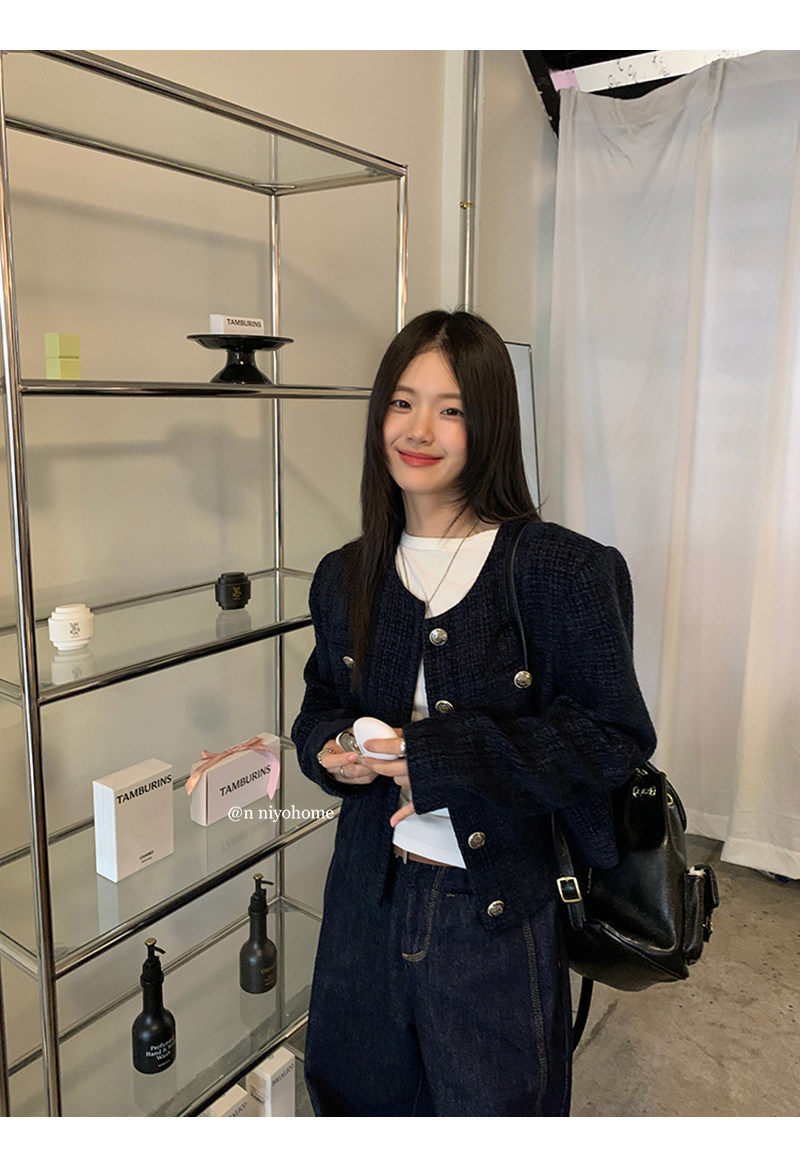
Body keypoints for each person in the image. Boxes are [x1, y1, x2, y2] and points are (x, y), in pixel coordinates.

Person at [291, 309, 656, 1117]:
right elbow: (319, 703)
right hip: (364, 901)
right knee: (355, 1106)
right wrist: (333, 745)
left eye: (450, 409)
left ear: (489, 422)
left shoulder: (562, 570)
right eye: (402, 402)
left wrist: (440, 759)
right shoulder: (344, 574)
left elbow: (614, 737)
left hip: (491, 913)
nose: (418, 429)